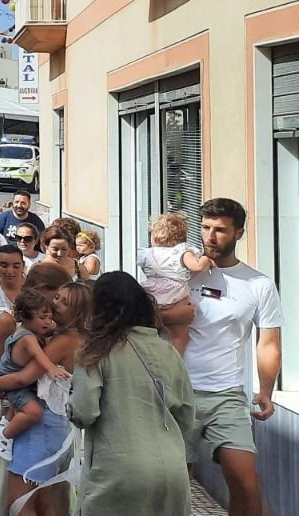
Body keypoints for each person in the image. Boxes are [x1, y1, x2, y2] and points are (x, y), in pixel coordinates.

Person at [182, 198, 284, 516]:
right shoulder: (181, 275)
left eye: (221, 230)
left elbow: (268, 342)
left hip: (226, 396)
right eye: (206, 227)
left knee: (246, 483)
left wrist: (266, 391)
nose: (211, 236)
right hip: (174, 392)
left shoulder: (259, 285)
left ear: (238, 233)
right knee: (172, 483)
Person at [69, 272, 196, 516]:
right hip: (172, 470)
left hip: (119, 471)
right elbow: (187, 416)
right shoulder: (167, 351)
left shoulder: (96, 351)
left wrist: (68, 404)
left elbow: (84, 412)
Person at [0, 288, 66, 463]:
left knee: (25, 408)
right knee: (34, 412)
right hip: (13, 382)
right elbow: (40, 356)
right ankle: (5, 434)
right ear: (25, 318)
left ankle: (8, 421)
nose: (48, 322)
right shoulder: (27, 338)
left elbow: (52, 328)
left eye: (49, 317)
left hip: (20, 381)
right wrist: (52, 369)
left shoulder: (33, 330)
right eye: (42, 318)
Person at [138, 212, 214, 354]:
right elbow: (196, 266)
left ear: (154, 236)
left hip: (152, 295)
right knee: (179, 334)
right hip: (174, 296)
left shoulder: (148, 254)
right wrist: (206, 259)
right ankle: (175, 358)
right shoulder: (181, 252)